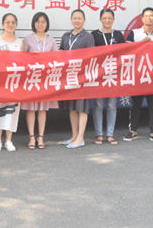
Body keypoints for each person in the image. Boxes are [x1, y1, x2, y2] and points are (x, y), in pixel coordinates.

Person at [125, 7, 153, 144]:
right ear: (142, 19)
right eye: (146, 16)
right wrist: (142, 43)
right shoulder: (134, 34)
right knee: (135, 105)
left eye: (151, 16)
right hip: (138, 75)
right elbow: (126, 51)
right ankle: (132, 131)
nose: (149, 18)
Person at [20, 12, 58, 149]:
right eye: (37, 21)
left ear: (47, 24)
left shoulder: (51, 40)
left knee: (42, 109)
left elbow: (57, 59)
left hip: (45, 79)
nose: (40, 24)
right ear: (33, 23)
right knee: (31, 109)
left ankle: (40, 137)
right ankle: (31, 137)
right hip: (31, 78)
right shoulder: (27, 39)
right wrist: (31, 56)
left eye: (43, 21)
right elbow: (21, 58)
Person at [0, 13, 22, 152]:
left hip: (13, 82)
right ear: (2, 24)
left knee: (11, 111)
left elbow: (23, 63)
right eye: (7, 22)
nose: (10, 25)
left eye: (13, 22)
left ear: (16, 25)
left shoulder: (20, 42)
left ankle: (8, 140)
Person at [59, 9, 94, 149]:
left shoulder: (88, 36)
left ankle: (80, 138)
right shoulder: (66, 35)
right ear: (71, 20)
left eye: (80, 18)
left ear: (84, 20)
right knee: (72, 108)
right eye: (75, 18)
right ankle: (74, 136)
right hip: (69, 76)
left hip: (82, 76)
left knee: (82, 108)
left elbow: (92, 55)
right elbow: (61, 51)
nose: (77, 20)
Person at [91, 8, 125, 146]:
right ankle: (99, 134)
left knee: (111, 105)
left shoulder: (118, 35)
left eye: (110, 18)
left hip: (113, 75)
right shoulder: (94, 35)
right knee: (98, 105)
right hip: (99, 75)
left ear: (113, 20)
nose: (107, 20)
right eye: (104, 18)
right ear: (100, 19)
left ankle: (110, 134)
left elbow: (124, 52)